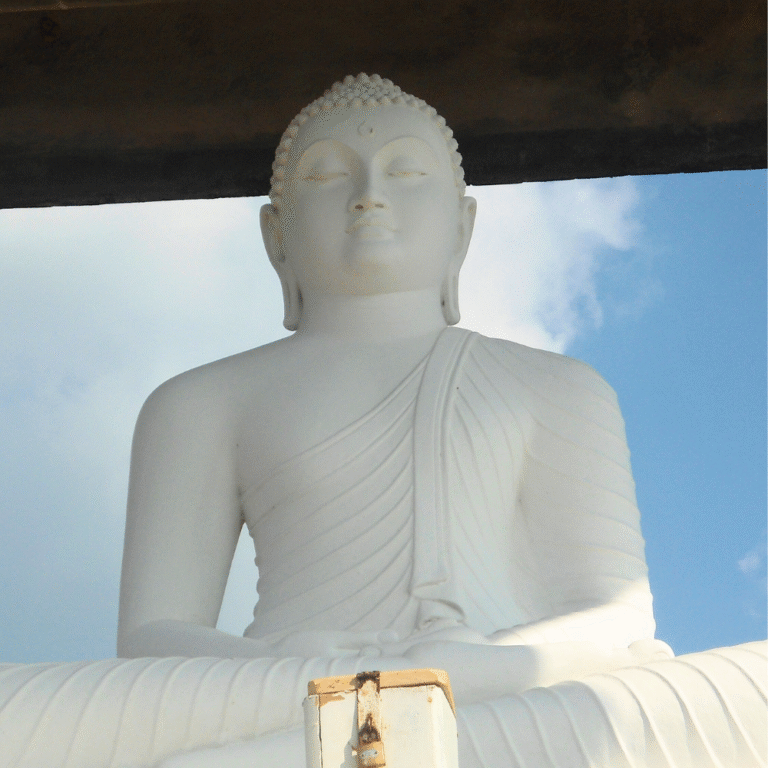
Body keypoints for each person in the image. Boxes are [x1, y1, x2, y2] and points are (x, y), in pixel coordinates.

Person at [1, 75, 763, 768]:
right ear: (276, 237)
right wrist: (313, 671)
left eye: (407, 171)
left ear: (462, 229)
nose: (369, 195)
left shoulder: (556, 386)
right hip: (286, 681)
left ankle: (285, 753)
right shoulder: (199, 401)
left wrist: (467, 669)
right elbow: (150, 643)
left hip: (503, 690)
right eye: (329, 174)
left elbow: (615, 621)